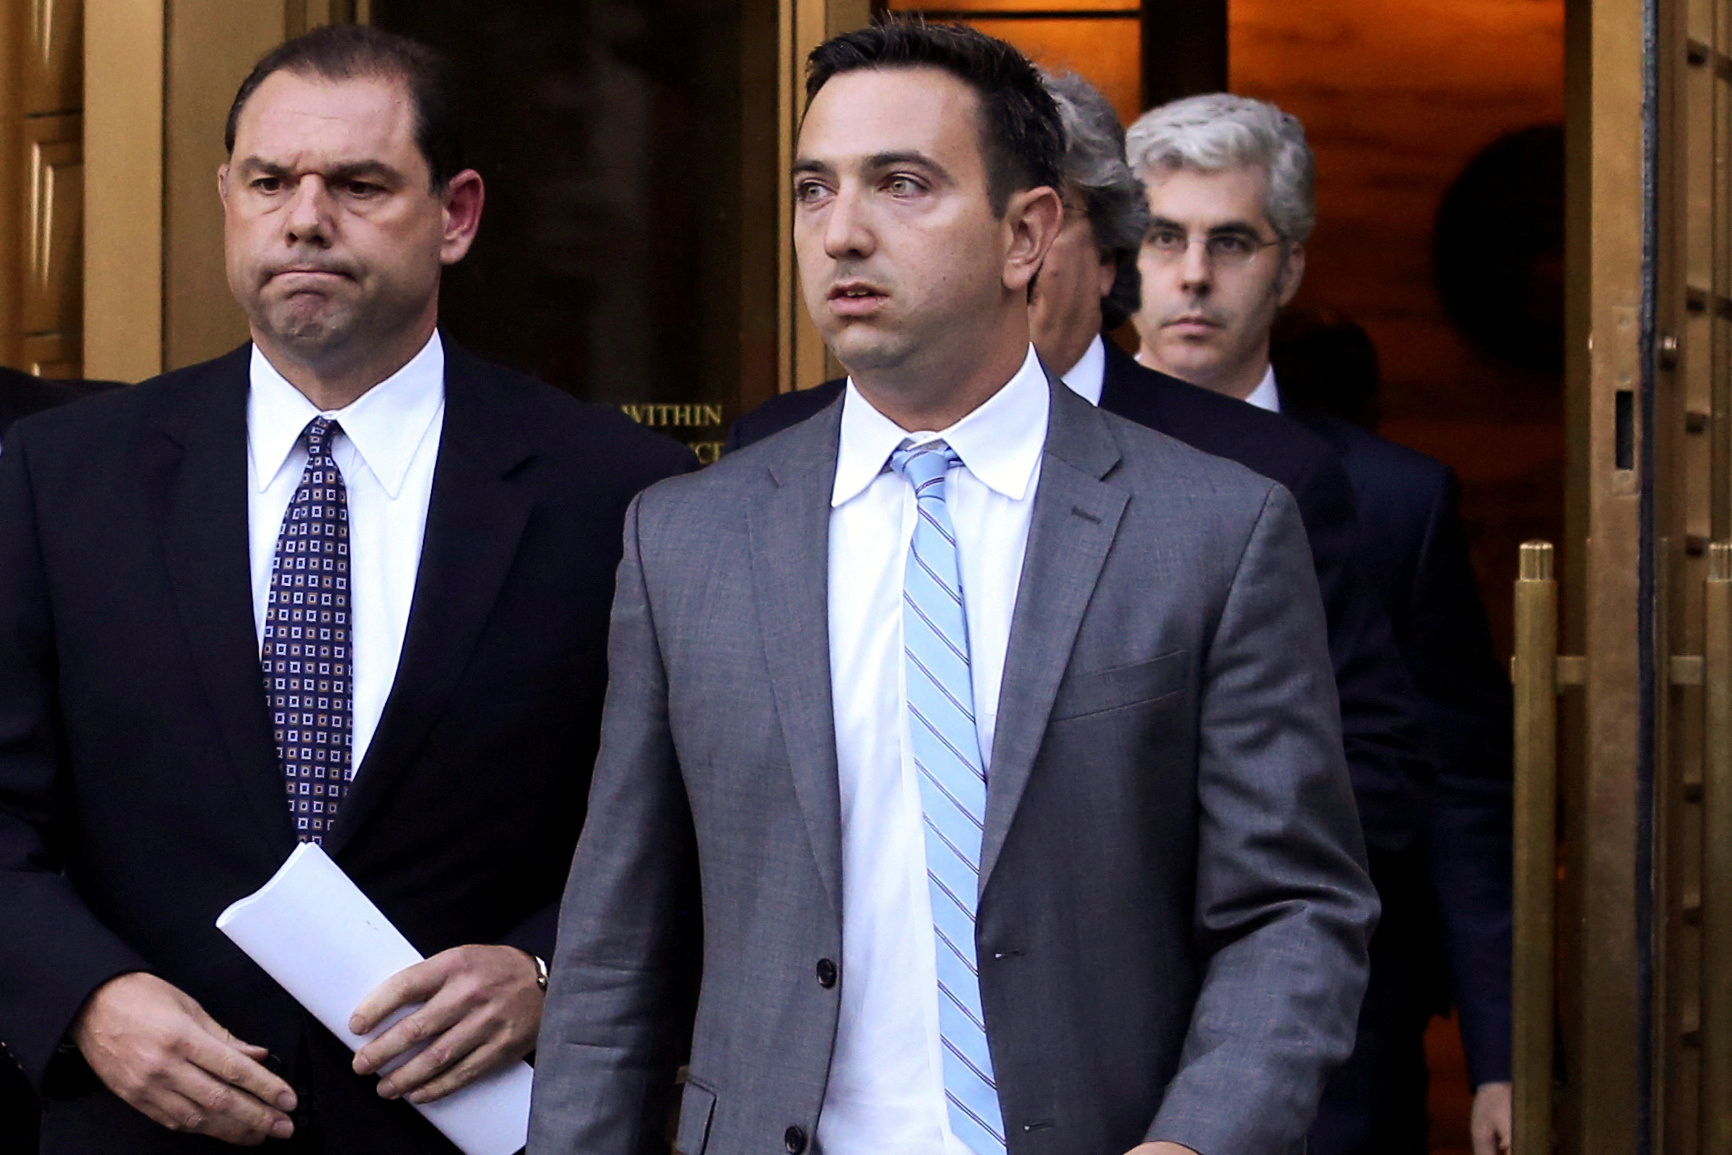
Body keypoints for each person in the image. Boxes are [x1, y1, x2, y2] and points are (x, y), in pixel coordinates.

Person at [529, 21, 1376, 1155]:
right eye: (812, 189)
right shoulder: (688, 539)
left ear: (1027, 233)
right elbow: (615, 943)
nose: (842, 233)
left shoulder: (1212, 531)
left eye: (902, 184)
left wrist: (1196, 1141)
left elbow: (1293, 911)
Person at [0, 25, 693, 1154]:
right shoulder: (65, 476)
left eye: (359, 184)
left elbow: (691, 826)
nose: (305, 217)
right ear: (227, 195)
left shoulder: (614, 494)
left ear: (456, 215)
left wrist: (547, 970)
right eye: (270, 181)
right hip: (145, 1129)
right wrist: (87, 998)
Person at [727, 73, 1430, 909]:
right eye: (819, 189)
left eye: (908, 188)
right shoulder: (771, 456)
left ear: (1101, 252)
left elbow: (1354, 790)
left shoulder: (1251, 476)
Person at [1126, 92, 1515, 1155]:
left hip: (1334, 1054)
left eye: (1231, 241)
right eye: (1163, 236)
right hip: (1084, 1043)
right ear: (1123, 254)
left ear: (1289, 268)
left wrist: (1501, 1057)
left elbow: (1460, 790)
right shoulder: (1020, 470)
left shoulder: (1393, 499)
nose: (1194, 274)